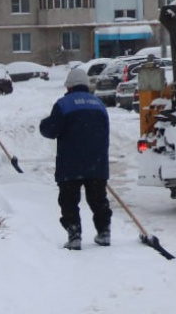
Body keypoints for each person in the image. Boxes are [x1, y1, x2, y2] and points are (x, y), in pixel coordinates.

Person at [39, 66, 112, 250]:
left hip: (70, 163)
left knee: (69, 200)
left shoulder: (64, 104)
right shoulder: (99, 105)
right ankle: (104, 232)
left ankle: (74, 235)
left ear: (69, 87)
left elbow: (51, 130)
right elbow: (105, 134)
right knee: (98, 199)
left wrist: (44, 124)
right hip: (96, 163)